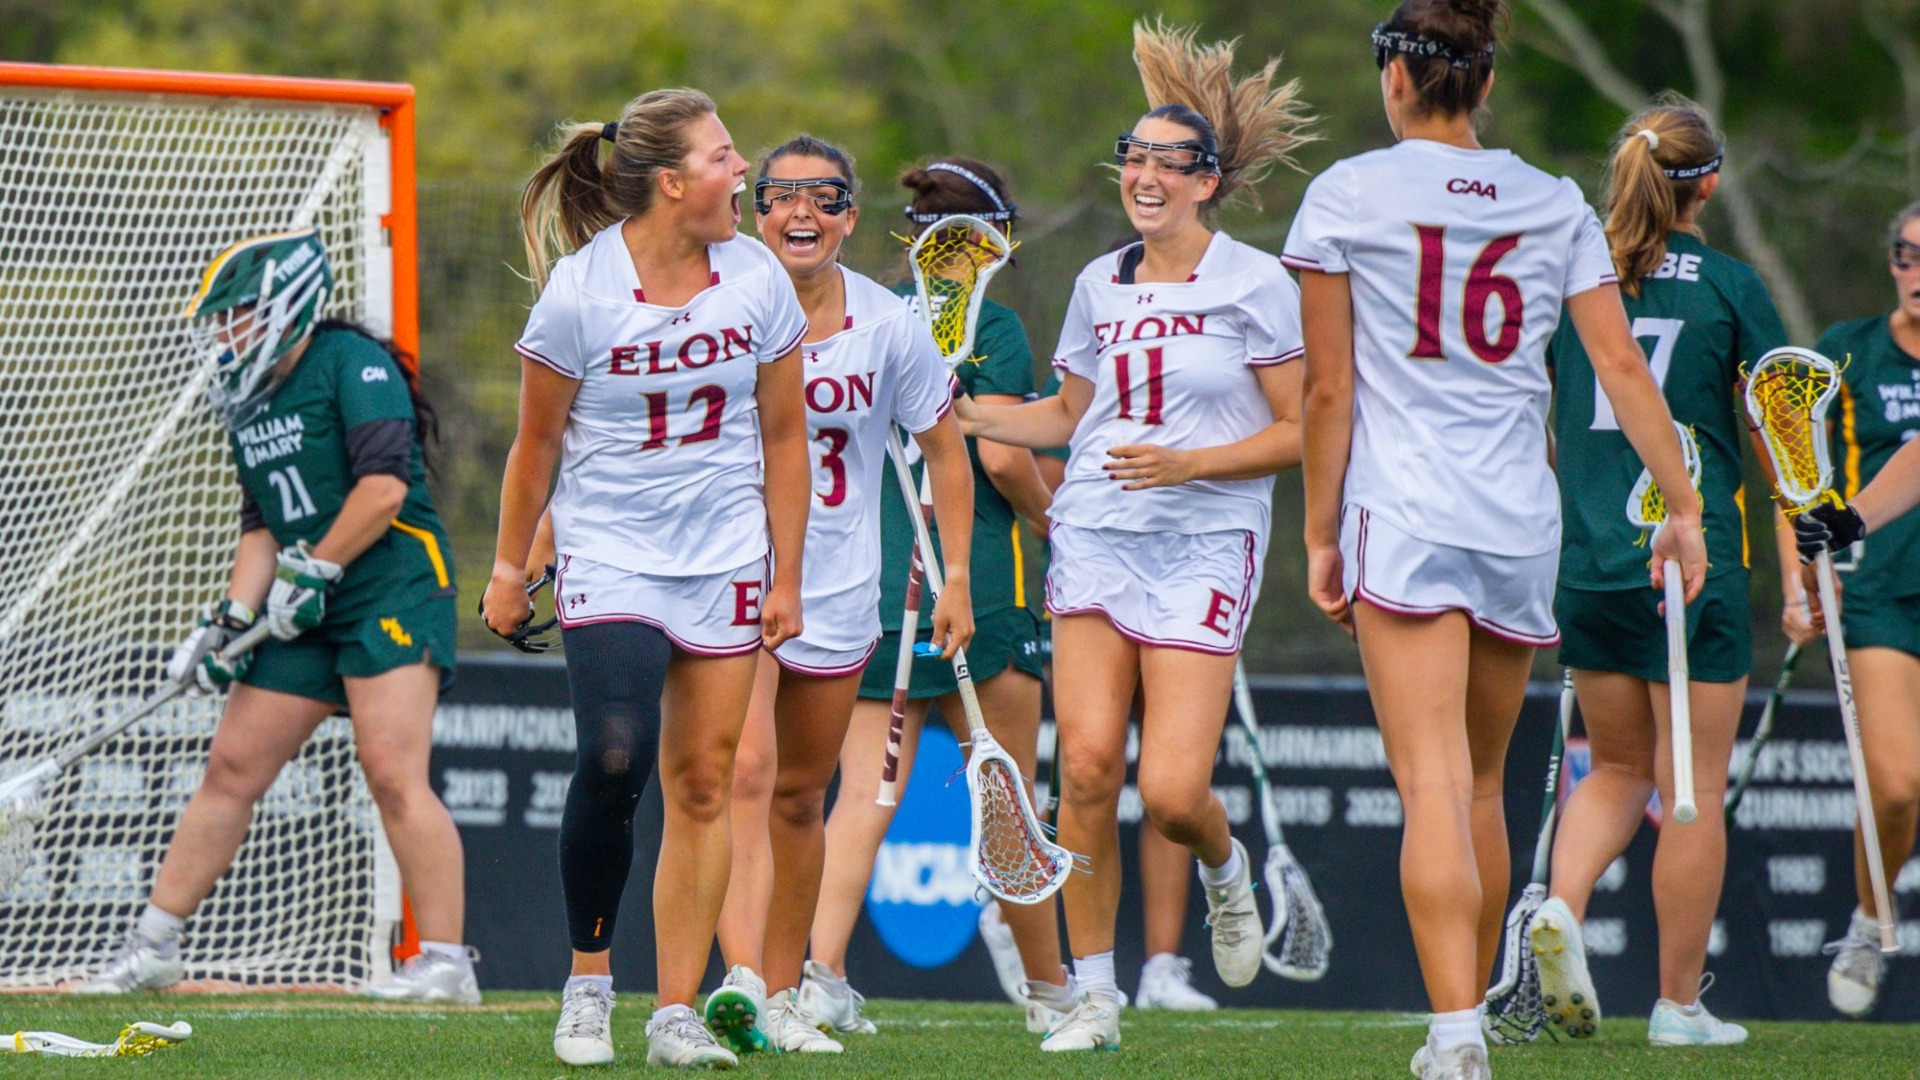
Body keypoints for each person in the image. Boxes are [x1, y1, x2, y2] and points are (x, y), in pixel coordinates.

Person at [1283, 2, 1707, 1076]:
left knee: (1430, 786)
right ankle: (1461, 1024)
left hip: (1406, 513)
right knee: (1478, 786)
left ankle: (1456, 1035)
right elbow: (1618, 367)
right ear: (1483, 83)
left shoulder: (1346, 192)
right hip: (1520, 520)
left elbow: (1328, 388)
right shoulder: (1551, 197)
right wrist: (1686, 506)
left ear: (1394, 77)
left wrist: (1321, 534)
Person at [956, 19, 1313, 1052]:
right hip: (1098, 536)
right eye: (1135, 157)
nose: (1146, 175)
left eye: (1169, 162)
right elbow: (1068, 418)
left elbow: (1301, 432)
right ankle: (1095, 998)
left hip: (1204, 541)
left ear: (1209, 182)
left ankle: (1223, 864)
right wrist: (961, 410)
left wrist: (1192, 464)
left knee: (1169, 793)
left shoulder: (1255, 282)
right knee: (1086, 773)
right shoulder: (1098, 282)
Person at [484, 89, 811, 1069]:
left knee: (705, 784)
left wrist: (786, 573)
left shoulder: (756, 279)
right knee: (617, 758)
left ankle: (676, 1010)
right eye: (723, 156)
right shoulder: (582, 293)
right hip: (613, 554)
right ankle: (588, 985)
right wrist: (508, 567)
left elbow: (786, 436)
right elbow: (535, 445)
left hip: (725, 558)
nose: (742, 168)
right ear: (673, 183)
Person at [80, 230, 474, 1005]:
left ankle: (447, 963)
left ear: (284, 308)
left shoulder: (352, 366)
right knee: (231, 767)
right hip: (307, 598)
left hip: (387, 588)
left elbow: (384, 491)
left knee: (393, 772)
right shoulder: (247, 398)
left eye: (236, 317)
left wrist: (318, 564)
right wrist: (228, 620)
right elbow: (261, 523)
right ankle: (154, 945)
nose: (223, 336)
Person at [703, 134, 976, 1055]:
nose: (801, 212)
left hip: (840, 584)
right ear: (756, 211)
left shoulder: (889, 322)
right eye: (781, 194)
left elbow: (943, 446)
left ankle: (785, 992)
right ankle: (740, 983)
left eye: (823, 197)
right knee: (740, 775)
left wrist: (961, 576)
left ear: (851, 219)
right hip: (733, 575)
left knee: (799, 796)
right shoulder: (721, 303)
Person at [800, 155, 1067, 1037]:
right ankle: (1051, 992)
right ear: (999, 241)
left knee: (865, 796)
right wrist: (1057, 523)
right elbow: (999, 460)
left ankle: (821, 975)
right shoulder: (994, 326)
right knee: (1011, 801)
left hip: (874, 590)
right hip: (980, 587)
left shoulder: (867, 317)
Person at [1536, 97, 1779, 1047]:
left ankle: (1558, 912)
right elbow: (1773, 420)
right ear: (1707, 183)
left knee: (1620, 768)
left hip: (1592, 556)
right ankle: (1678, 1006)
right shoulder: (1727, 284)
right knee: (1692, 782)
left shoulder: (1571, 277)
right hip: (1693, 557)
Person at [1785, 200, 1920, 1019]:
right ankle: (1872, 920)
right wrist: (1806, 569)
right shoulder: (1852, 347)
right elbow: (1791, 449)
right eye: (1906, 253)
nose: (1918, 273)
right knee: (1897, 785)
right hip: (1884, 594)